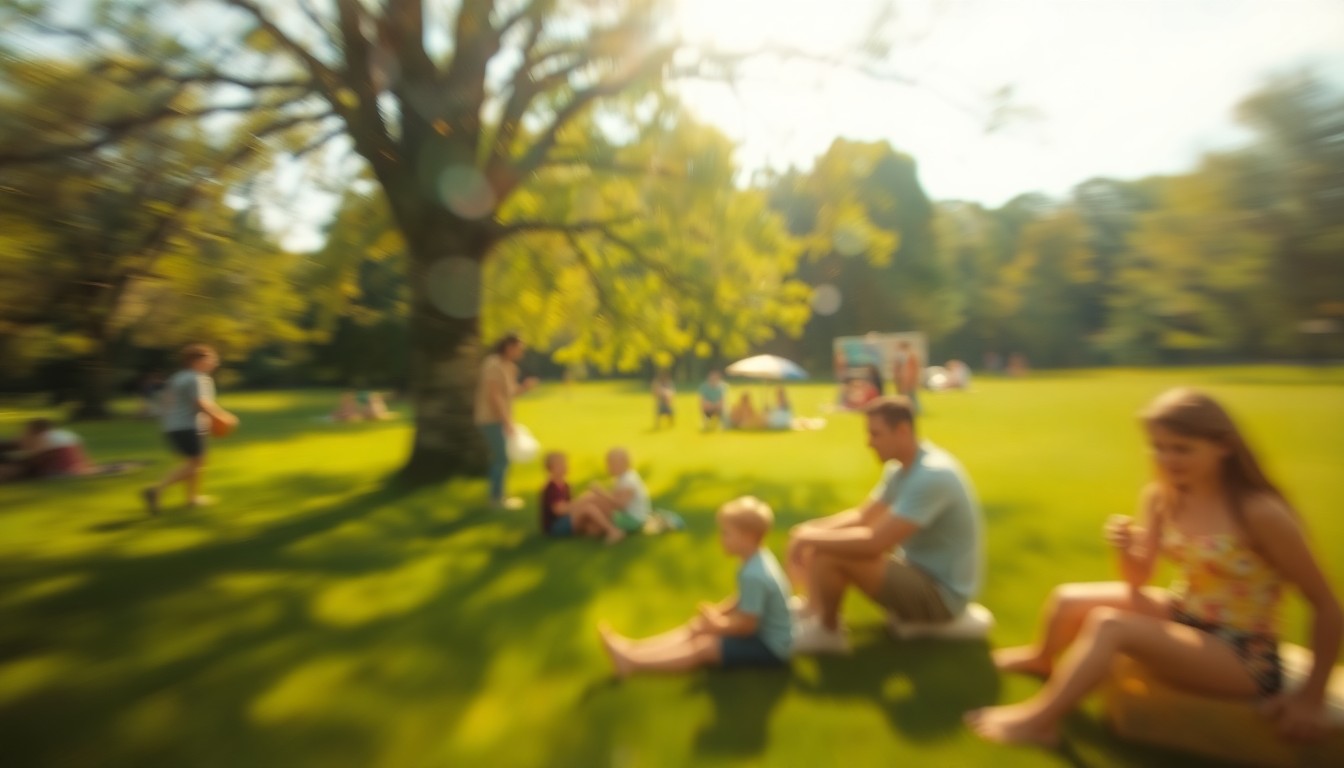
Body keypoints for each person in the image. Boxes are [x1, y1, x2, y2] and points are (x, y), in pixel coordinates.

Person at [968, 388, 1342, 747]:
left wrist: (1310, 698)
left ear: (1225, 446)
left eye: (1182, 449)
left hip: (1243, 653)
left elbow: (1326, 605)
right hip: (1184, 613)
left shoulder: (1259, 512)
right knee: (1068, 599)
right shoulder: (1163, 497)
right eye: (1159, 447)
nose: (1167, 459)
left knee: (1110, 626)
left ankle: (1038, 724)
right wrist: (1125, 549)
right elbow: (1137, 578)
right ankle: (1042, 658)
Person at [788, 396, 983, 654]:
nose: (869, 442)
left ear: (902, 431)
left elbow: (874, 542)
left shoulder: (932, 475)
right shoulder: (901, 469)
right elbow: (862, 517)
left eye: (875, 434)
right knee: (826, 540)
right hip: (918, 571)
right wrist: (807, 531)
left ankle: (828, 631)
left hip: (942, 596)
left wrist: (809, 538)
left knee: (830, 551)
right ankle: (813, 608)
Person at [598, 496, 793, 676]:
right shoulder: (755, 559)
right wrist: (719, 612)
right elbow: (744, 598)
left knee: (704, 648)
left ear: (748, 537)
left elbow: (748, 626)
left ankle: (634, 663)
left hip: (770, 647)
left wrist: (718, 625)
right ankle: (633, 649)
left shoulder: (754, 573)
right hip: (758, 634)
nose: (721, 538)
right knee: (698, 627)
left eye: (726, 533)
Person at [141, 344, 237, 515]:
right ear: (196, 360)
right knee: (195, 463)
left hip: (172, 427)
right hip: (187, 426)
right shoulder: (196, 378)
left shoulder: (178, 377)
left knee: (196, 462)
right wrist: (223, 417)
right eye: (211, 359)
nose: (215, 362)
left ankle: (192, 498)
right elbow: (201, 403)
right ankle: (156, 490)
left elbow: (166, 402)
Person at [474, 333, 539, 510]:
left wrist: (525, 387)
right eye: (519, 348)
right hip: (491, 419)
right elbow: (494, 396)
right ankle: (496, 499)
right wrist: (507, 422)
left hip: (501, 419)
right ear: (509, 347)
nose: (521, 352)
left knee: (502, 458)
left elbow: (509, 393)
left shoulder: (509, 367)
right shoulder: (493, 364)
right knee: (501, 458)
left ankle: (499, 496)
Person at [539, 452, 626, 545]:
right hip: (556, 527)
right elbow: (559, 510)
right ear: (552, 468)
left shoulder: (565, 484)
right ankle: (612, 531)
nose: (566, 466)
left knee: (591, 500)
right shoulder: (551, 488)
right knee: (587, 507)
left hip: (566, 520)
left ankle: (607, 525)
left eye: (566, 463)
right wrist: (582, 501)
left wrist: (583, 500)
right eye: (562, 464)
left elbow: (571, 505)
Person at [574, 447, 652, 534]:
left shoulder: (629, 481)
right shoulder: (622, 477)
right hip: (627, 515)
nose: (608, 466)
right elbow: (614, 498)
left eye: (611, 463)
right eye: (607, 463)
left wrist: (601, 493)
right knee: (592, 524)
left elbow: (620, 504)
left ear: (623, 463)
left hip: (633, 520)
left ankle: (613, 532)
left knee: (594, 519)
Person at [0, 419, 89, 481]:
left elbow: (32, 461)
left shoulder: (44, 438)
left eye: (26, 431)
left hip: (57, 472)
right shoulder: (63, 435)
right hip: (72, 468)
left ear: (35, 430)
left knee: (10, 470)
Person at [895, 341, 922, 414]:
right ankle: (915, 410)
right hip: (907, 379)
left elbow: (910, 370)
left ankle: (916, 410)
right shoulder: (908, 356)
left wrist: (907, 380)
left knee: (911, 396)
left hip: (909, 379)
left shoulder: (910, 356)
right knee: (911, 396)